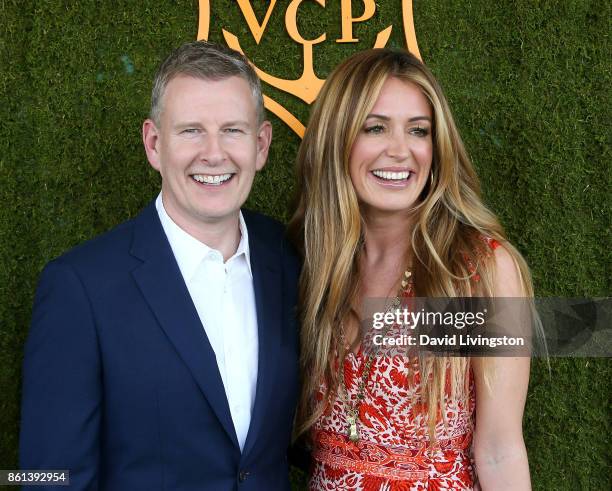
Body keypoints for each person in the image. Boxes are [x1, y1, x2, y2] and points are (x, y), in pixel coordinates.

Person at [20, 41, 300, 491]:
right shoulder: (79, 287)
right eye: (191, 131)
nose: (214, 153)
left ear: (261, 144)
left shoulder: (290, 257)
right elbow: (45, 478)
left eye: (233, 130)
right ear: (154, 143)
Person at [289, 49, 532, 490]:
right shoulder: (309, 263)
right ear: (336, 138)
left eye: (418, 131)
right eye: (375, 127)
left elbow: (499, 449)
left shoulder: (477, 271)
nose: (400, 150)